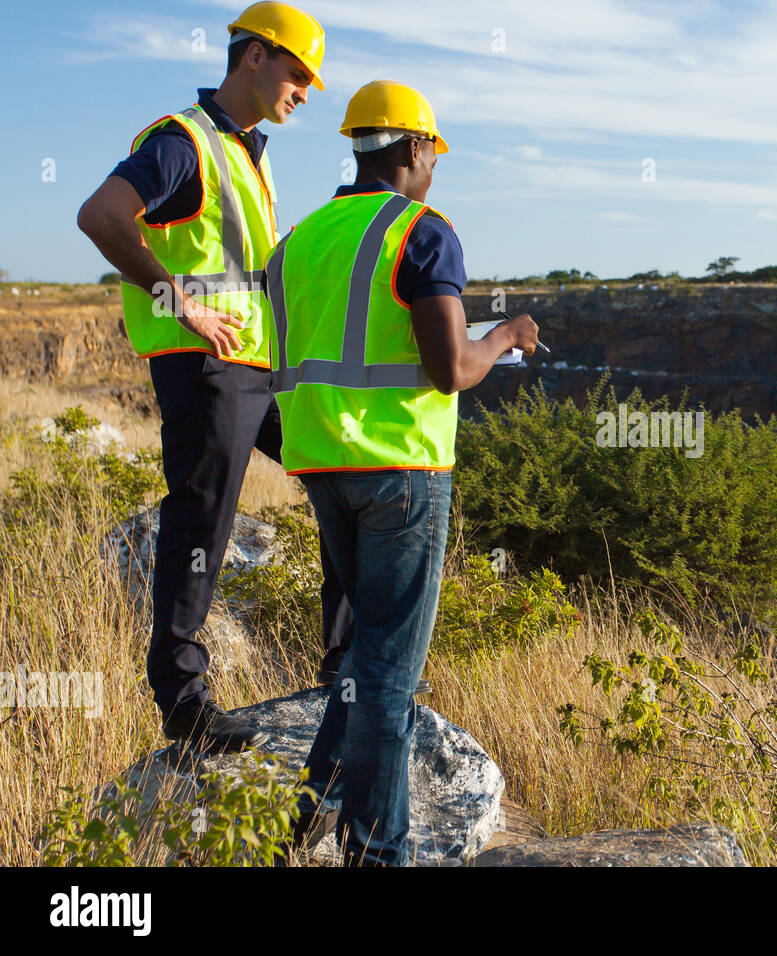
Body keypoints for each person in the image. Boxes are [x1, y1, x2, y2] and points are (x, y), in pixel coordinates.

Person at [265, 80, 538, 865]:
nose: (433, 171)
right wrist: (506, 335)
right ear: (415, 150)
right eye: (433, 156)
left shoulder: (302, 239)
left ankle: (295, 829)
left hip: (322, 466)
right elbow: (450, 367)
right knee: (387, 677)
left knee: (362, 660)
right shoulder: (423, 232)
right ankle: (379, 855)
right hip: (402, 470)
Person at [76, 2, 350, 752]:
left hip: (259, 365)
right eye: (298, 73)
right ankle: (184, 700)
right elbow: (101, 216)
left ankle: (346, 664)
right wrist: (180, 303)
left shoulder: (248, 153)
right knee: (202, 519)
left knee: (342, 474)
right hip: (206, 367)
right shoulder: (182, 142)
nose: (304, 90)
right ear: (254, 57)